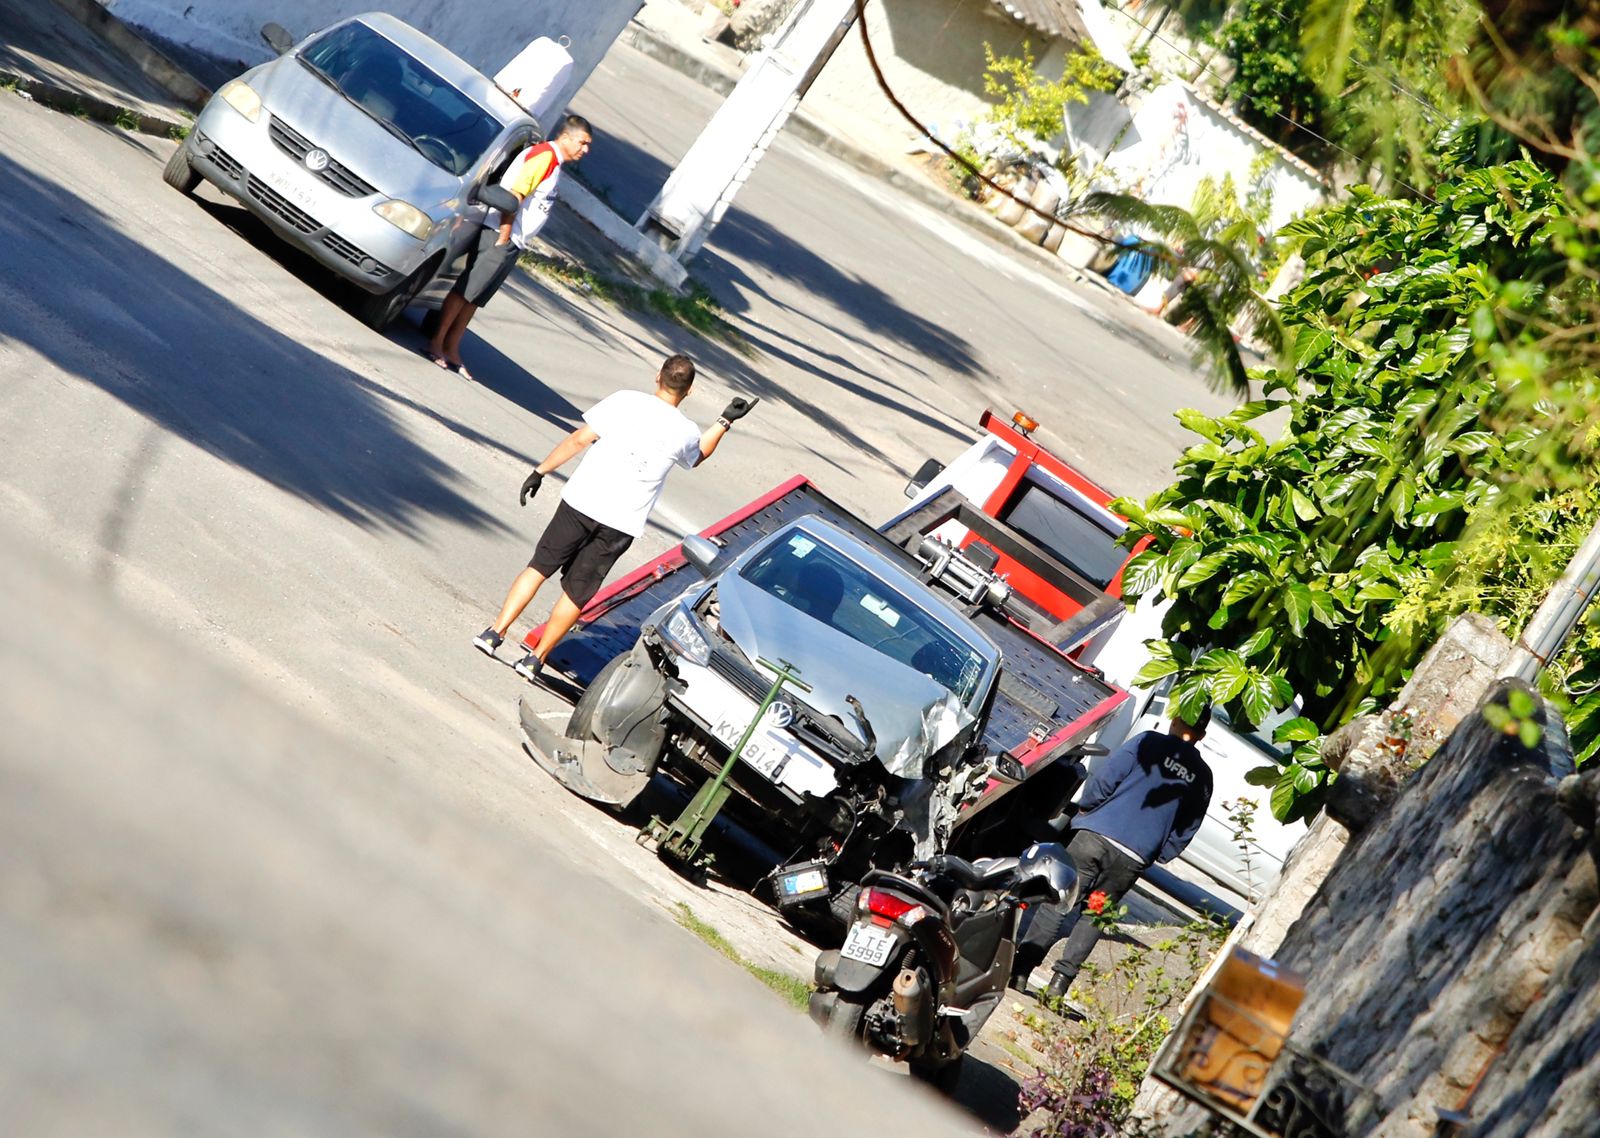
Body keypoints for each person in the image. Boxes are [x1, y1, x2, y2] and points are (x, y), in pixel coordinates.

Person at [472, 354, 757, 680]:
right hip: (621, 523)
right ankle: (535, 660)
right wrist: (725, 421)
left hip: (581, 502)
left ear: (658, 376)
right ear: (689, 391)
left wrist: (541, 471)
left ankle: (494, 633)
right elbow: (698, 455)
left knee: (538, 568)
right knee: (576, 593)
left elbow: (580, 438)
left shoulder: (624, 401)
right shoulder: (685, 431)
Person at [1013, 708, 1214, 1003]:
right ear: (1202, 735)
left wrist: (1088, 807)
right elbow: (1187, 827)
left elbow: (1107, 778)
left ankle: (1021, 970)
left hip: (1093, 840)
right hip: (1130, 859)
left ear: (1174, 720)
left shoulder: (1147, 742)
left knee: (1059, 899)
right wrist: (1157, 851)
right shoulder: (1203, 777)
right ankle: (1059, 984)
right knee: (1095, 914)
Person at [426, 114, 594, 380]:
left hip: (514, 240)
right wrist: (504, 234)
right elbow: (514, 196)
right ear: (565, 137)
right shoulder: (544, 157)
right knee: (467, 290)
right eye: (582, 143)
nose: (585, 150)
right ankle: (437, 342)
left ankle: (452, 346)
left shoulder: (553, 162)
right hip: (500, 234)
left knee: (477, 297)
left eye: (587, 145)